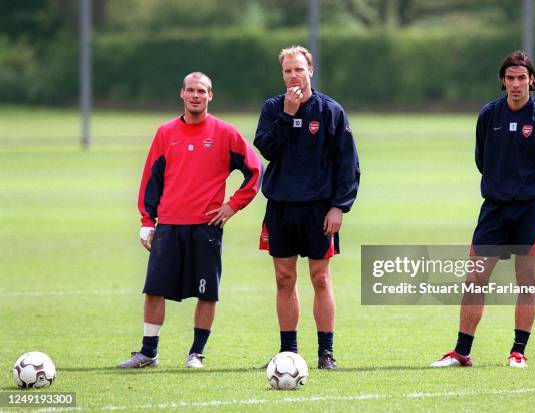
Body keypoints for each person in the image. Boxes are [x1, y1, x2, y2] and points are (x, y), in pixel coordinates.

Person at [431, 51, 535, 369]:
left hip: (530, 211)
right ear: (502, 81)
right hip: (494, 210)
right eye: (510, 78)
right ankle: (461, 352)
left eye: (522, 78)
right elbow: (482, 159)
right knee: (474, 280)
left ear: (532, 80)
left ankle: (518, 351)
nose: (516, 84)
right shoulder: (489, 116)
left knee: (526, 282)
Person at [117, 72, 262, 369]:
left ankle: (196, 353)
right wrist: (148, 221)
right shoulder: (165, 133)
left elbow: (255, 170)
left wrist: (232, 206)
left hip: (206, 227)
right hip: (169, 224)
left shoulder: (225, 133)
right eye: (191, 90)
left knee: (207, 292)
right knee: (154, 289)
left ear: (211, 96)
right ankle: (148, 352)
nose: (196, 95)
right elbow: (151, 180)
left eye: (202, 91)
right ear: (181, 94)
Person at [254, 46, 360, 370]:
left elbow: (348, 164)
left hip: (318, 210)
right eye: (287, 71)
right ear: (282, 73)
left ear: (310, 70)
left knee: (320, 278)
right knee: (284, 279)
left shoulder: (330, 111)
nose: (293, 75)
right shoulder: (273, 108)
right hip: (282, 207)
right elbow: (267, 149)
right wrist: (287, 115)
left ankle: (326, 352)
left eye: (299, 69)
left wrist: (339, 207)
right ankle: (288, 353)